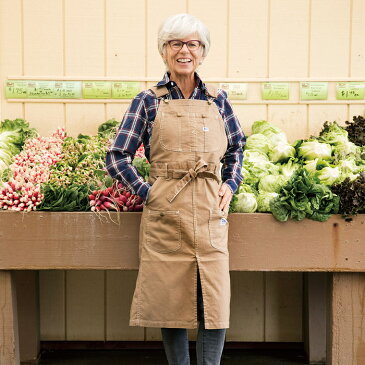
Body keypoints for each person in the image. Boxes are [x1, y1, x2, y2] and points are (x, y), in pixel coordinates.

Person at [106, 13, 246, 365]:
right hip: (166, 206)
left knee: (214, 296)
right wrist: (146, 191)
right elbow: (117, 156)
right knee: (170, 297)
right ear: (164, 51)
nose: (185, 50)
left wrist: (230, 183)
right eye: (175, 43)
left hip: (211, 207)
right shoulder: (147, 100)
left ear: (202, 52)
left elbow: (236, 148)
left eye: (193, 44)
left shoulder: (218, 99)